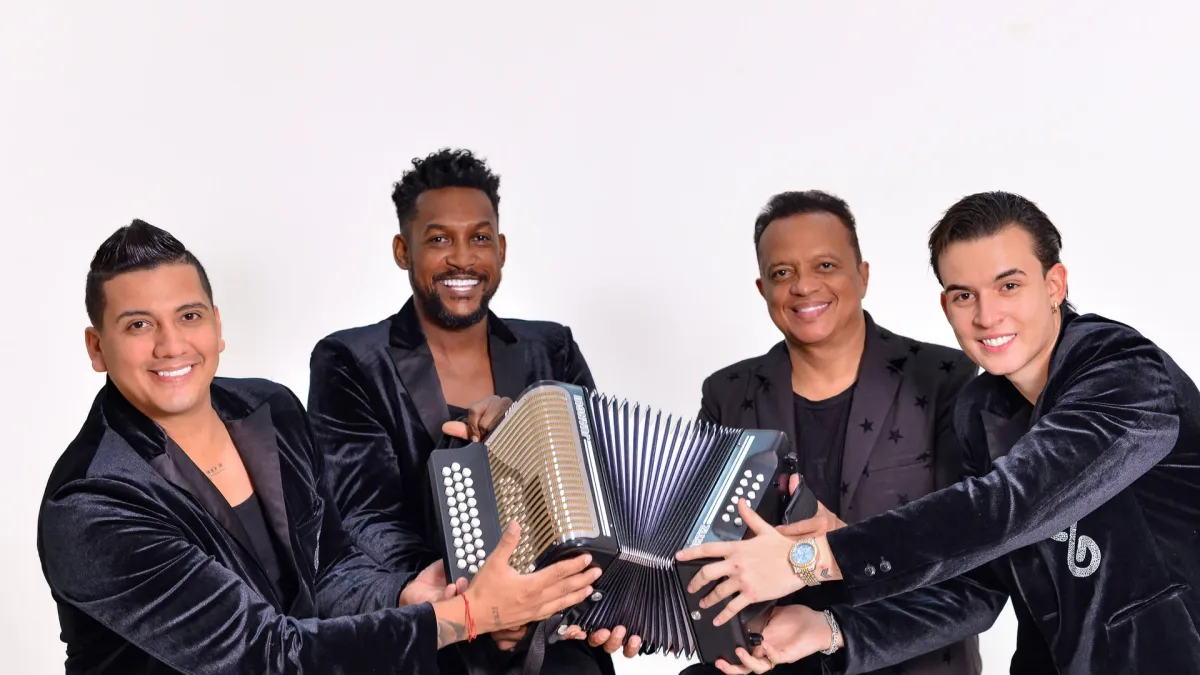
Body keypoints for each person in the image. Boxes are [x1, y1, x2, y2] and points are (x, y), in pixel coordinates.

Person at [36, 219, 603, 674]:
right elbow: (264, 656)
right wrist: (467, 616)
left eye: (188, 316)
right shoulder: (91, 504)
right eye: (138, 325)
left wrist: (407, 593)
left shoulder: (271, 408)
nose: (171, 345)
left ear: (217, 326)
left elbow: (329, 568)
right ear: (97, 348)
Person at [676, 191, 1200, 675]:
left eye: (1009, 285)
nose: (987, 315)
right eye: (964, 295)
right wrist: (829, 629)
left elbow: (1011, 503)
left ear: (1054, 285)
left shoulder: (1126, 371)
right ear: (946, 306)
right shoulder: (980, 410)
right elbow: (973, 585)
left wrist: (810, 560)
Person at [307, 148, 636, 675]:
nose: (462, 259)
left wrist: (575, 605)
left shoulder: (551, 349)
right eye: (439, 240)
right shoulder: (350, 359)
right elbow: (363, 515)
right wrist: (475, 600)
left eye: (480, 239)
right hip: (435, 630)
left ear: (501, 249)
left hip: (555, 631)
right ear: (402, 251)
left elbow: (599, 491)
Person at [680, 191, 980, 675]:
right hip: (770, 663)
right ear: (762, 289)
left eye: (825, 265)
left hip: (910, 663)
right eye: (783, 273)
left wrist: (835, 549)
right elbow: (700, 550)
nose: (803, 286)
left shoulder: (945, 379)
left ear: (863, 275)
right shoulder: (727, 394)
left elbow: (969, 565)